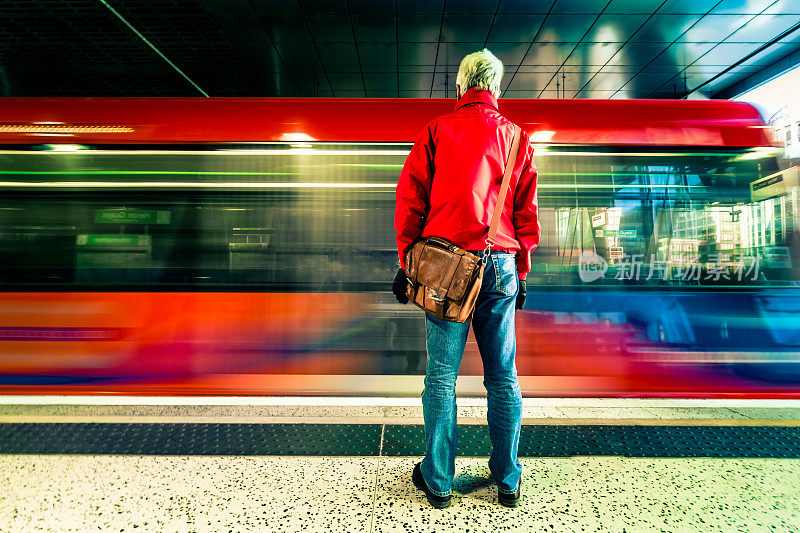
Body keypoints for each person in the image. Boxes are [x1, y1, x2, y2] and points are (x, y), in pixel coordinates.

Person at [392, 49, 540, 509]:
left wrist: (407, 261)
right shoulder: (518, 138)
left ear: (460, 88)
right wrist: (523, 266)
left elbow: (411, 201)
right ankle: (507, 478)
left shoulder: (436, 131)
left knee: (440, 378)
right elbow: (525, 212)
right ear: (497, 89)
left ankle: (437, 480)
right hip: (502, 264)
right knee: (503, 377)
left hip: (449, 270)